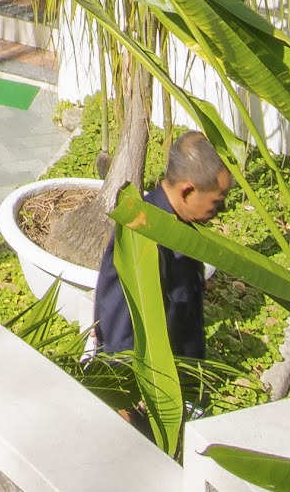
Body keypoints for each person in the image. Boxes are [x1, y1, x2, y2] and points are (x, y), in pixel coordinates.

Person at [87, 128, 230, 367]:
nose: (222, 209)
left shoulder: (180, 227)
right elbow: (120, 340)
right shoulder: (143, 241)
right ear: (187, 190)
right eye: (217, 201)